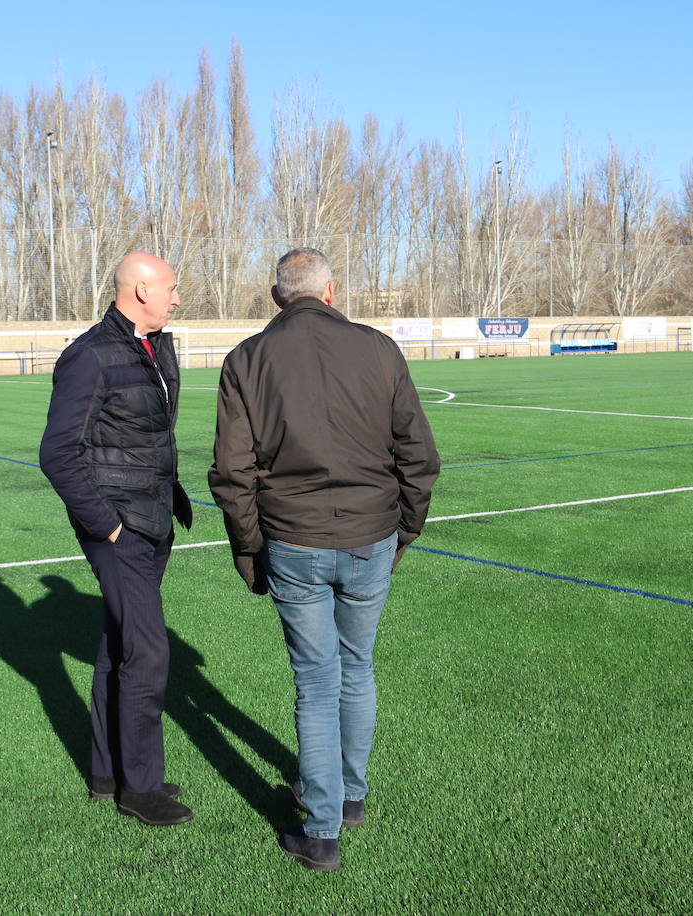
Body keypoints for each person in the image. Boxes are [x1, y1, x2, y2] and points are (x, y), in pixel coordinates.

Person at [208, 248, 440, 871]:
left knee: (317, 681)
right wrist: (404, 530)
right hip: (365, 536)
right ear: (330, 292)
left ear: (278, 296)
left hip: (297, 540)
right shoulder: (378, 349)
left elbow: (232, 474)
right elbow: (419, 458)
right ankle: (347, 799)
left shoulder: (248, 358)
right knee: (354, 667)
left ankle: (324, 826)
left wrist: (250, 547)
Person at [39, 251, 194, 827]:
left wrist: (169, 496)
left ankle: (109, 774)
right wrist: (106, 524)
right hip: (120, 527)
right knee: (149, 651)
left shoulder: (151, 347)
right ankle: (141, 788)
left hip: (152, 518)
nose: (177, 298)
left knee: (120, 644)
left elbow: (148, 436)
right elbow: (58, 453)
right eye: (171, 288)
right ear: (142, 291)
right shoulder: (90, 355)